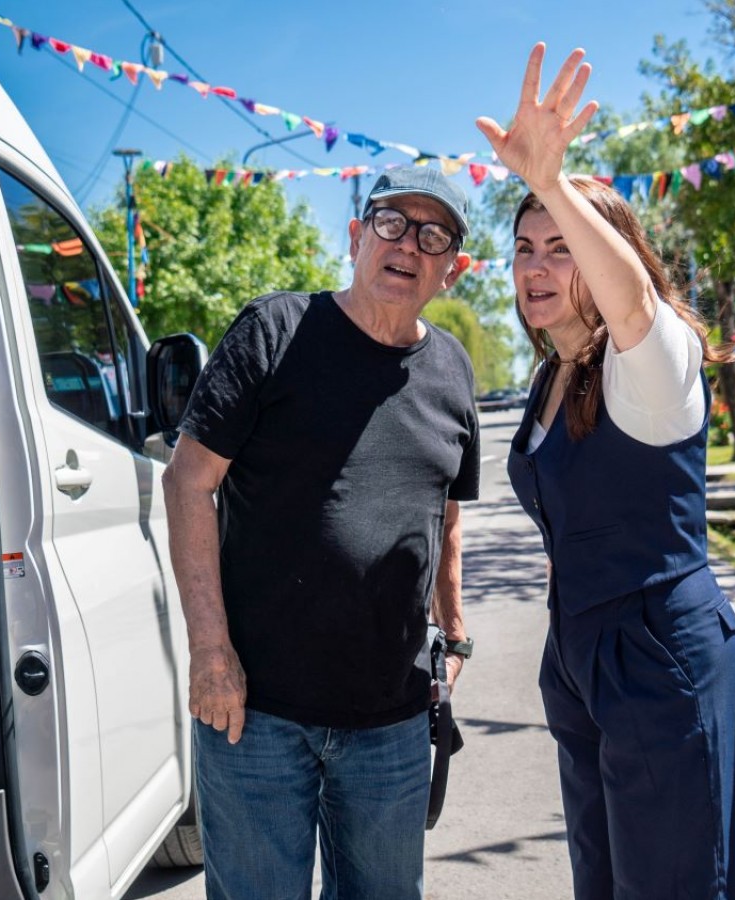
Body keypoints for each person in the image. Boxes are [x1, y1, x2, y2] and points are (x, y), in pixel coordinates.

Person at [479, 44, 735, 900]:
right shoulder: (550, 376)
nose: (536, 267)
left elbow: (633, 303)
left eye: (562, 247)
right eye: (525, 247)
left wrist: (553, 177)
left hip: (661, 661)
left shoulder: (653, 363)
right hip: (582, 661)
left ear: (611, 253)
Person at [161, 166, 481, 900]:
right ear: (356, 236)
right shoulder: (274, 331)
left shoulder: (452, 371)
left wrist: (454, 632)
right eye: (391, 222)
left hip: (393, 721)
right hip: (256, 714)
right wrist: (210, 651)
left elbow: (447, 513)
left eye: (433, 235)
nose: (408, 244)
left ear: (452, 270)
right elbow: (187, 482)